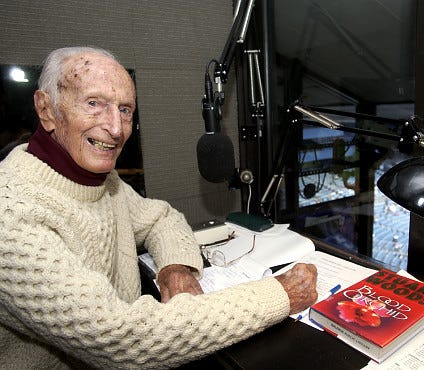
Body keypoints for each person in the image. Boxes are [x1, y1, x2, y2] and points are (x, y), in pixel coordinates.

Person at [0, 46, 318, 369]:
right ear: (47, 110)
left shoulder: (101, 180)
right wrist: (280, 295)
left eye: (125, 110)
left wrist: (175, 267)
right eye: (94, 104)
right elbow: (122, 340)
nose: (115, 128)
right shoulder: (11, 215)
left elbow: (160, 217)